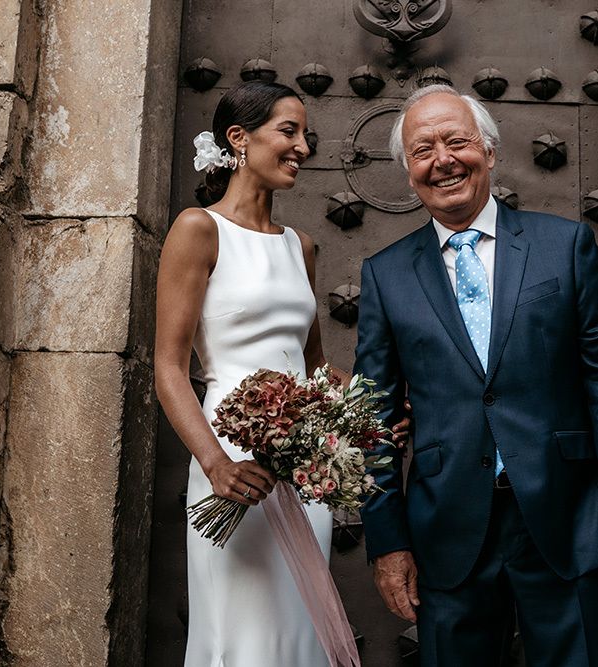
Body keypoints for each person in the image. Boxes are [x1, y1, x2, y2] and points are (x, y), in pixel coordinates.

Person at [155, 81, 410, 667]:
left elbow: (315, 370)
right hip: (232, 464)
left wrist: (367, 418)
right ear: (238, 139)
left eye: (305, 134)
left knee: (297, 632)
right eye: (288, 131)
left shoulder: (302, 246)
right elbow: (168, 367)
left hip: (303, 469)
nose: (302, 147)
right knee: (243, 634)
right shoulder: (198, 229)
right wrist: (215, 464)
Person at [355, 83, 598, 667]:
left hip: (567, 522)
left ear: (488, 152)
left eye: (456, 141)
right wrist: (387, 542)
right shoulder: (385, 275)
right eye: (422, 150)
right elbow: (374, 421)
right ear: (408, 171)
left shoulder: (565, 245)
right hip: (447, 531)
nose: (442, 159)